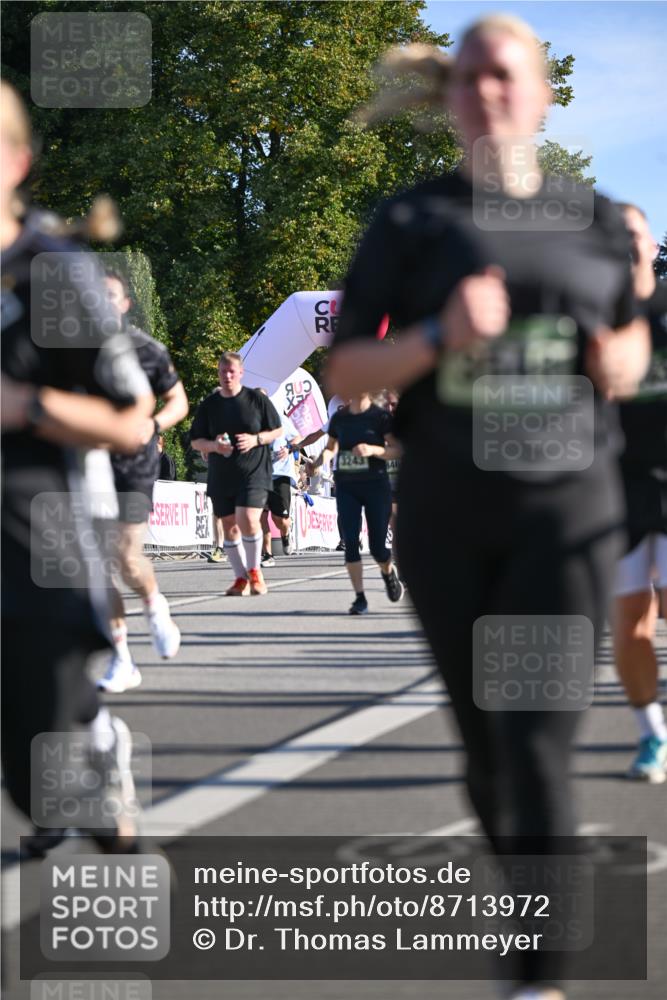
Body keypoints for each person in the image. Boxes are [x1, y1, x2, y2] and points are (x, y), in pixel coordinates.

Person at [325, 18, 649, 1000]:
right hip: (447, 508)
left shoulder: (594, 218)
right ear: (450, 98)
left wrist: (615, 347)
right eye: (468, 76)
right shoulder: (410, 221)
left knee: (537, 734)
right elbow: (346, 371)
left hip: (565, 504)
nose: (487, 91)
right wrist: (435, 333)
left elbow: (630, 357)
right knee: (485, 745)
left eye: (505, 74)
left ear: (543, 93)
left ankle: (535, 977)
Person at [1, 80, 155, 851]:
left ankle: (95, 754)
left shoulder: (49, 272)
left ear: (17, 160)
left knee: (41, 723)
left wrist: (24, 407)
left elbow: (132, 420)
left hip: (42, 529)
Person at [96, 269, 189, 694]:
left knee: (126, 557)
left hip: (134, 467)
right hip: (91, 467)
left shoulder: (145, 350)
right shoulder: (70, 350)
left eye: (110, 294)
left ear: (125, 303)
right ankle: (121, 658)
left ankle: (154, 605)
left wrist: (152, 425)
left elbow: (179, 401)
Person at [612, 203, 667, 782]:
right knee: (630, 620)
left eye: (634, 235)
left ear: (652, 243)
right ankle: (651, 734)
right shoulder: (590, 314)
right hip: (615, 483)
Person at [189, 352, 283, 595]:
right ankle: (240, 578)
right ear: (218, 373)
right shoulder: (210, 405)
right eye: (223, 372)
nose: (227, 376)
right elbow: (196, 441)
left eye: (232, 372)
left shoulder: (256, 400)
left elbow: (277, 430)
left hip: (254, 471)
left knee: (248, 518)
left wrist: (256, 439)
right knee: (229, 525)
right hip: (222, 473)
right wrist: (214, 446)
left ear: (241, 373)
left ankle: (255, 572)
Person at [310, 393, 403, 614]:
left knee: (378, 548)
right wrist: (318, 461)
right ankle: (360, 598)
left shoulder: (380, 417)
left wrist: (373, 450)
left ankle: (388, 573)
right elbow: (331, 447)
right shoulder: (340, 418)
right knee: (350, 542)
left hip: (375, 486)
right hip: (347, 485)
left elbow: (396, 449)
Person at [260, 408, 301, 567]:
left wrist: (289, 448)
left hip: (280, 474)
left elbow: (297, 437)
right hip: (260, 476)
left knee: (281, 520)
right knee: (261, 517)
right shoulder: (250, 420)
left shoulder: (279, 419)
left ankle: (285, 534)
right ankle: (268, 555)